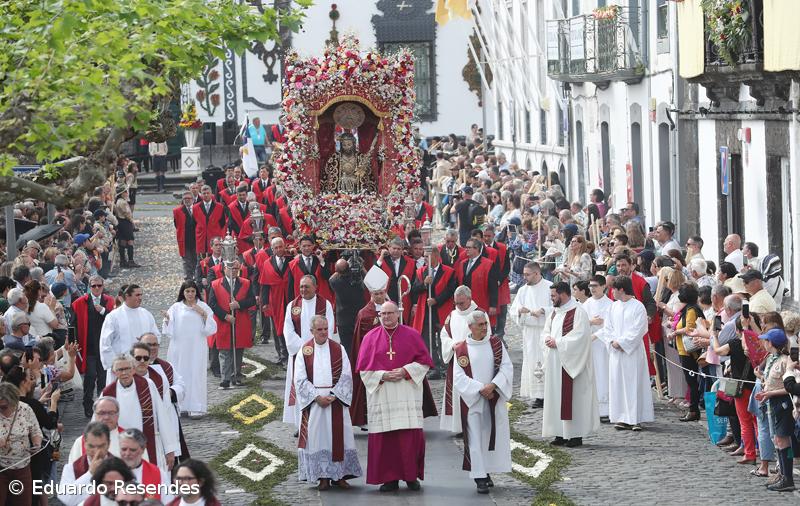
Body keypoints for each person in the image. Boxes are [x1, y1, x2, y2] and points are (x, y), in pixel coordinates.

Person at [356, 301, 434, 492]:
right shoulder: (369, 338)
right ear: (379, 315)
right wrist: (382, 375)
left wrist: (406, 371)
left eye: (390, 313)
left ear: (398, 314)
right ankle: (388, 478)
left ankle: (411, 477)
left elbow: (424, 363)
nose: (386, 317)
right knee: (386, 440)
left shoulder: (412, 335)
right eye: (383, 314)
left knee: (408, 438)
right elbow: (364, 371)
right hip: (383, 395)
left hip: (406, 393)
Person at [294, 315, 362, 490]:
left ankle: (339, 476)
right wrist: (317, 397)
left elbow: (347, 375)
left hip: (335, 401)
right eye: (319, 330)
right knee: (318, 439)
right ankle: (322, 476)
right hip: (315, 403)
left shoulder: (338, 349)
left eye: (326, 329)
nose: (324, 332)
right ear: (312, 331)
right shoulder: (305, 351)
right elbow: (300, 379)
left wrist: (334, 395)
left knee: (340, 438)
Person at [452, 310, 512, 494]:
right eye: (480, 325)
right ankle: (479, 477)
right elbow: (458, 377)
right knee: (476, 438)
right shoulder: (462, 349)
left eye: (485, 324)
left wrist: (493, 386)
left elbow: (506, 368)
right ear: (470, 327)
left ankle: (487, 471)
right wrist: (480, 388)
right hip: (474, 402)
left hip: (493, 397)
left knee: (492, 436)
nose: (485, 328)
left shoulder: (495, 344)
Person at [541, 282, 598, 447]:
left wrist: (557, 342)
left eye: (553, 296)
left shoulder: (578, 312)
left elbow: (580, 337)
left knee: (572, 399)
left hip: (570, 364)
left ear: (563, 294)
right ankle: (559, 433)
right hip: (554, 363)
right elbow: (546, 330)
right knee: (555, 397)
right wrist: (546, 339)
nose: (551, 299)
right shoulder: (554, 312)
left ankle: (574, 435)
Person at [102, 354, 178, 471]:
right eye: (120, 370)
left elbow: (162, 416)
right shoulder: (108, 393)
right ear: (114, 372)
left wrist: (169, 450)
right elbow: (99, 423)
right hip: (120, 449)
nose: (124, 373)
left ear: (133, 369)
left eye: (127, 368)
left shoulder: (147, 385)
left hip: (148, 444)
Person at [598, 276, 654, 431]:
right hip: (616, 352)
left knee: (633, 383)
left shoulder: (638, 307)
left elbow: (639, 329)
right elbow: (607, 327)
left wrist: (622, 342)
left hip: (632, 352)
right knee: (617, 384)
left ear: (621, 289)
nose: (611, 292)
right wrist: (612, 341)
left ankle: (635, 418)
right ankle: (621, 417)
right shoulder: (613, 307)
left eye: (613, 289)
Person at [282, 275, 335, 427]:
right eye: (301, 287)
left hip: (320, 354)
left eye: (307, 287)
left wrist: (317, 347)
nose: (303, 290)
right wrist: (304, 348)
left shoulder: (325, 305)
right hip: (299, 354)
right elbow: (288, 330)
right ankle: (301, 424)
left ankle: (318, 422)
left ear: (315, 287)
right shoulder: (293, 306)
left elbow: (329, 328)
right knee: (300, 386)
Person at [163, 281, 217, 418]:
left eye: (193, 291)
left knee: (196, 374)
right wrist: (167, 320)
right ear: (183, 292)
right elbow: (169, 330)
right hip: (179, 347)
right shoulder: (176, 307)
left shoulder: (202, 306)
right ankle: (180, 405)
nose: (190, 294)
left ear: (196, 292)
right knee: (180, 373)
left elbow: (211, 328)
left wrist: (203, 314)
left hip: (197, 347)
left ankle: (196, 406)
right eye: (187, 291)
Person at [756, 328, 796, 492]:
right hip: (772, 401)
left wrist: (770, 392)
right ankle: (782, 474)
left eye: (766, 340)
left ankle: (788, 478)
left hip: (783, 402)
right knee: (778, 440)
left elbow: (790, 387)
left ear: (771, 343)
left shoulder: (785, 360)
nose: (764, 343)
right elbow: (770, 380)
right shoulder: (772, 358)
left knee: (783, 439)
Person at [349, 269, 389, 428]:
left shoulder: (393, 309)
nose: (379, 296)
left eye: (381, 292)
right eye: (376, 293)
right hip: (372, 358)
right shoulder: (364, 314)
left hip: (390, 356)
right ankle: (367, 418)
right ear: (371, 294)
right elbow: (360, 340)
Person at [509, 262, 552, 407]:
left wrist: (543, 310)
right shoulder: (523, 290)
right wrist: (520, 311)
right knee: (533, 362)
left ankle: (549, 393)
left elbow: (557, 307)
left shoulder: (549, 287)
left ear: (537, 273)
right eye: (524, 274)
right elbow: (513, 310)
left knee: (546, 361)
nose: (524, 277)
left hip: (546, 331)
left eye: (527, 274)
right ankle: (538, 395)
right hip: (530, 333)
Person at [208, 262, 256, 389]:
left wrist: (239, 304)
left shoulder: (246, 283)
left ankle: (237, 375)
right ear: (224, 269)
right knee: (224, 351)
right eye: (231, 268)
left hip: (240, 321)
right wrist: (225, 316)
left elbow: (252, 300)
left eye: (236, 268)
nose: (234, 271)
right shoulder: (215, 284)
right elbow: (212, 303)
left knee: (238, 349)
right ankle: (225, 378)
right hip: (223, 322)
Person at [410, 246, 455, 380]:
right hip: (426, 311)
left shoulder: (448, 271)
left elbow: (450, 290)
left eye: (426, 256)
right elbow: (414, 289)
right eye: (424, 256)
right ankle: (434, 366)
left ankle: (446, 365)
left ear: (435, 255)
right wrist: (424, 284)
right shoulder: (421, 272)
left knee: (443, 339)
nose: (424, 259)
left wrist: (436, 300)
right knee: (428, 340)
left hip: (441, 310)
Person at [73, 275, 115, 417]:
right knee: (90, 376)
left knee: (103, 378)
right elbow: (73, 325)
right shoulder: (80, 303)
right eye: (93, 286)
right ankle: (87, 403)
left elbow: (115, 320)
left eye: (99, 286)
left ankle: (103, 405)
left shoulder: (109, 301)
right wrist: (74, 343)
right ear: (89, 287)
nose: (96, 288)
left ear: (103, 287)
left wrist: (103, 311)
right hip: (88, 347)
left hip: (104, 347)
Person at [99, 284, 160, 382]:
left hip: (142, 363)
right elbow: (105, 343)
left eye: (141, 295)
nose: (140, 298)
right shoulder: (113, 316)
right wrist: (114, 365)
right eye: (137, 295)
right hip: (122, 367)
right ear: (127, 296)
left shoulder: (146, 314)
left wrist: (150, 355)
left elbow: (156, 336)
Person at [0, 382, 42, 506]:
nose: (1, 410)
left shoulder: (25, 409)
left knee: (23, 502)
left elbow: (35, 430)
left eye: (4, 407)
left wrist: (36, 443)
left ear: (14, 402)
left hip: (22, 466)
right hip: (1, 468)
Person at [258, 236, 292, 365]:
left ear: (284, 247)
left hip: (289, 297)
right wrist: (265, 303)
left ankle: (290, 354)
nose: (279, 249)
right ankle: (282, 356)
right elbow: (265, 285)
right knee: (278, 327)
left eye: (280, 246)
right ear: (272, 249)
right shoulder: (267, 263)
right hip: (275, 300)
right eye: (276, 247)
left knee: (290, 325)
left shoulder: (291, 260)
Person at [58, 422, 111, 506]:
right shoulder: (71, 468)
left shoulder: (120, 466)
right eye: (91, 446)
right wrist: (90, 474)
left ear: (108, 444)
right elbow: (65, 498)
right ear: (85, 444)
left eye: (101, 446)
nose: (96, 451)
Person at [583, 275, 613, 421]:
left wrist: (597, 334)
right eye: (590, 286)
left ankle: (605, 409)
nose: (592, 289)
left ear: (603, 287)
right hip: (588, 344)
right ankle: (591, 408)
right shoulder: (586, 303)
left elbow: (611, 325)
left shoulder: (610, 304)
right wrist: (590, 322)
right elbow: (580, 321)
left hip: (603, 345)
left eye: (595, 286)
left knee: (603, 374)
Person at [118, 428, 175, 503]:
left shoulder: (158, 474)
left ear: (143, 449)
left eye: (132, 450)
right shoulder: (111, 472)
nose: (127, 454)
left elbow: (169, 503)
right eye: (124, 449)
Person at [68, 396, 124, 463]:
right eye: (101, 413)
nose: (106, 417)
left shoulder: (130, 440)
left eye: (111, 413)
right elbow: (73, 470)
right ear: (95, 415)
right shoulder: (81, 442)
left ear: (118, 415)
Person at [457, 238, 499, 326]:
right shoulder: (462, 263)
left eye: (469, 247)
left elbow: (493, 287)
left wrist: (493, 305)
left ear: (476, 249)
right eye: (466, 247)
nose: (466, 249)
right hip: (465, 305)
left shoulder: (488, 264)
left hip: (481, 303)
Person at [328, 258, 367, 354]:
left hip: (343, 320)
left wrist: (343, 267)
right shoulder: (358, 281)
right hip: (358, 317)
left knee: (346, 347)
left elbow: (331, 278)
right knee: (360, 345)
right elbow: (368, 279)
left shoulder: (335, 282)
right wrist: (361, 268)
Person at [377, 237, 417, 324]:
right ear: (389, 248)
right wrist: (381, 257)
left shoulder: (410, 263)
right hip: (386, 299)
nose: (396, 251)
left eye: (399, 249)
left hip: (404, 301)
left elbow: (414, 284)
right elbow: (373, 276)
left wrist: (415, 303)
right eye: (394, 248)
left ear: (402, 250)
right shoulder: (382, 260)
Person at [192, 185, 227, 258]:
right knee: (201, 262)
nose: (206, 195)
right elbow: (194, 222)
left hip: (214, 237)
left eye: (208, 193)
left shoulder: (220, 207)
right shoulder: (195, 207)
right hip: (201, 238)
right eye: (204, 193)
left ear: (211, 193)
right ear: (201, 194)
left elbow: (222, 223)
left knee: (215, 261)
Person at [174, 191, 198, 281]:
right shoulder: (177, 211)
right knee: (186, 260)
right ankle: (188, 278)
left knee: (196, 259)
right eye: (185, 199)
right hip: (184, 239)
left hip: (196, 238)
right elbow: (176, 224)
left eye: (189, 198)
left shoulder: (197, 208)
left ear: (193, 199)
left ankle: (197, 275)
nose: (187, 200)